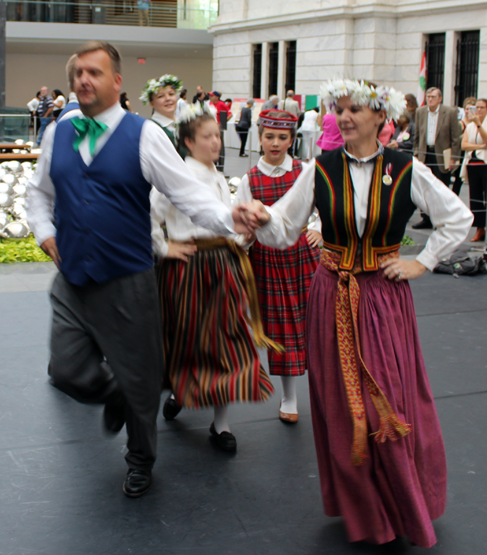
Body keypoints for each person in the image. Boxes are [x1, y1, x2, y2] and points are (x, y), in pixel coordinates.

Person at [242, 79, 472, 547]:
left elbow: (459, 218)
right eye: (339, 109)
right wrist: (262, 218)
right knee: (340, 407)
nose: (344, 117)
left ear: (379, 118)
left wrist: (421, 262)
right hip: (330, 293)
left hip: (383, 299)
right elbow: (285, 225)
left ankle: (403, 503)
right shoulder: (321, 169)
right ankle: (364, 511)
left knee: (389, 401)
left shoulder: (406, 168)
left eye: (355, 110)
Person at [27, 41, 258, 499]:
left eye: (94, 72)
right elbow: (40, 193)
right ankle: (115, 394)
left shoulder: (144, 136)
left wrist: (228, 219)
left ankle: (140, 460)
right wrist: (43, 231)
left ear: (117, 81)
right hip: (72, 279)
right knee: (69, 370)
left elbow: (187, 194)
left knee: (139, 375)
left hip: (129, 280)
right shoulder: (59, 131)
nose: (83, 81)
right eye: (77, 74)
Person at [151, 103, 275, 451]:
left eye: (218, 136)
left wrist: (241, 239)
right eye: (207, 137)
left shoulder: (217, 175)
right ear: (188, 142)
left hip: (222, 267)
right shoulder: (177, 175)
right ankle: (180, 390)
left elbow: (223, 222)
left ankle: (221, 425)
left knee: (226, 341)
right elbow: (148, 216)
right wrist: (165, 247)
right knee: (188, 338)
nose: (216, 142)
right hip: (188, 269)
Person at [236, 109, 321, 423]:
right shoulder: (249, 180)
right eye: (269, 136)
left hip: (303, 256)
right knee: (281, 330)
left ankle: (325, 391)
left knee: (314, 324)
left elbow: (321, 208)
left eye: (282, 137)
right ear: (258, 138)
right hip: (268, 260)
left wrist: (318, 229)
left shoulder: (304, 171)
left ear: (292, 139)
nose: (275, 143)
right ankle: (289, 396)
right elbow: (242, 225)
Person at [413, 87, 461, 229]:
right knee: (424, 187)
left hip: (441, 155)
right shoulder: (420, 112)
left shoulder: (450, 112)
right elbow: (417, 135)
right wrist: (416, 154)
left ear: (440, 98)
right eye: (428, 96)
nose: (430, 99)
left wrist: (453, 158)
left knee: (441, 188)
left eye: (433, 97)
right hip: (425, 154)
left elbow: (456, 139)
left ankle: (441, 219)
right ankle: (426, 218)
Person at [462, 98, 487, 242]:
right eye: (476, 107)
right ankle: (479, 228)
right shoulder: (470, 126)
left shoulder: (479, 124)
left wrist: (479, 125)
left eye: (481, 108)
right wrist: (479, 146)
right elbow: (464, 145)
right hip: (472, 164)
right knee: (475, 198)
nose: (478, 110)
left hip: (485, 164)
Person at [140, 74, 182, 150]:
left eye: (171, 94)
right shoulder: (151, 130)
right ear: (152, 103)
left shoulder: (182, 123)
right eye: (161, 96)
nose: (168, 98)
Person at [209, 90, 229, 172]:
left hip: (218, 129)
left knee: (220, 146)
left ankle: (220, 166)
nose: (210, 97)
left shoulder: (221, 104)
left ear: (217, 97)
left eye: (212, 96)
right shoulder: (210, 104)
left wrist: (221, 123)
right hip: (211, 128)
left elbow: (229, 114)